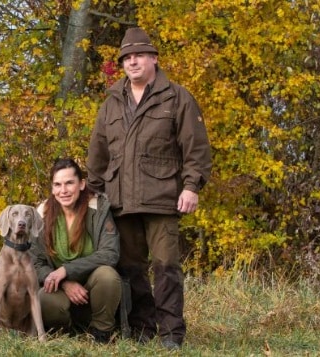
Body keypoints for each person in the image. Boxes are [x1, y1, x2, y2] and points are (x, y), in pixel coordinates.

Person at [86, 27, 212, 349]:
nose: (133, 61)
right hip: (120, 201)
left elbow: (195, 148)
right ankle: (143, 330)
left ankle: (171, 334)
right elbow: (97, 155)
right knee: (130, 269)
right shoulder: (111, 103)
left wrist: (191, 186)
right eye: (127, 57)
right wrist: (93, 198)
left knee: (167, 267)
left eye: (139, 55)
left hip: (162, 199)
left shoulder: (177, 97)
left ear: (154, 58)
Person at [29, 158, 122, 344]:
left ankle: (101, 332)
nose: (63, 190)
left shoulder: (98, 208)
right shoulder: (42, 213)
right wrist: (64, 282)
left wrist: (66, 270)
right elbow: (35, 263)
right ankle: (65, 330)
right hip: (60, 290)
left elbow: (110, 253)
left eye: (69, 183)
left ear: (81, 184)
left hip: (93, 287)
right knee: (42, 298)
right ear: (52, 188)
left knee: (108, 275)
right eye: (57, 184)